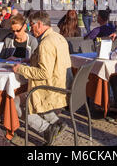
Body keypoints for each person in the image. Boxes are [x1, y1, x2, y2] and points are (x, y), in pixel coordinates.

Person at [12, 11, 72, 146]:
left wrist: (20, 68)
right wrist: (28, 60)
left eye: (31, 25)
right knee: (25, 97)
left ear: (39, 24)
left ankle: (46, 129)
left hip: (49, 88)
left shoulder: (46, 43)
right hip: (60, 85)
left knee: (14, 102)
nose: (30, 28)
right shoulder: (58, 37)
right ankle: (57, 123)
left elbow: (43, 73)